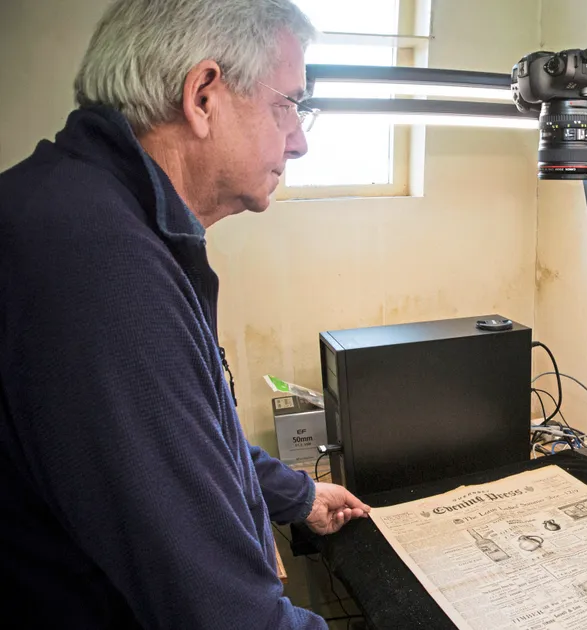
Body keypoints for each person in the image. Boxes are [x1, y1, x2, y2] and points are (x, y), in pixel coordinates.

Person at [0, 1, 371, 627]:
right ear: (202, 95)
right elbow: (221, 613)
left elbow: (182, 428)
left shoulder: (83, 208)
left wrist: (296, 494)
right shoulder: (100, 263)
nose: (300, 140)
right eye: (289, 105)